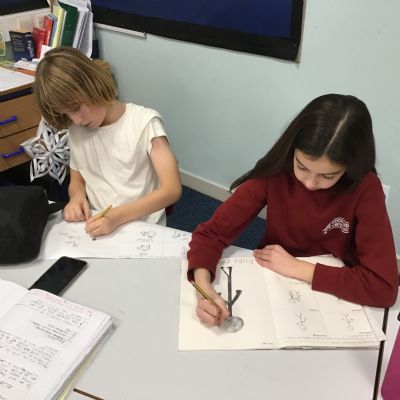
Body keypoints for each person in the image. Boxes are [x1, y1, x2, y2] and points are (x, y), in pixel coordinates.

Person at [187, 94, 398, 326]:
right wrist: (203, 290)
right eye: (302, 167)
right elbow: (211, 234)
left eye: (328, 176)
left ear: (351, 166)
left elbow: (383, 288)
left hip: (332, 288)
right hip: (274, 275)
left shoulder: (366, 187)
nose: (309, 183)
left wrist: (297, 268)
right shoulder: (277, 171)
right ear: (292, 151)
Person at [33, 47, 181, 237]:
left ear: (93, 85)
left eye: (76, 107)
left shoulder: (145, 123)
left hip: (144, 227)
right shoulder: (77, 130)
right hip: (100, 222)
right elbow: (77, 180)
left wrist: (116, 217)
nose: (76, 120)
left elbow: (171, 189)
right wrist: (76, 197)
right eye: (66, 114)